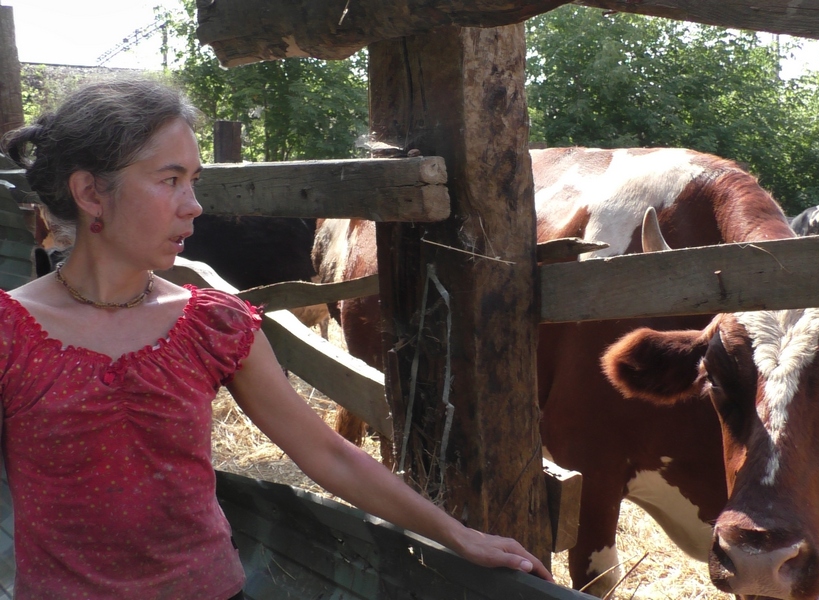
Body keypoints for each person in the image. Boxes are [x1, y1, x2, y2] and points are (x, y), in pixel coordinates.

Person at [0, 77, 552, 599]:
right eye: (170, 180)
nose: (193, 205)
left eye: (194, 182)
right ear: (90, 193)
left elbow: (329, 455)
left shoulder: (212, 325)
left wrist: (457, 535)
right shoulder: (10, 333)